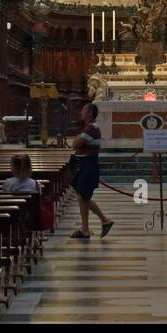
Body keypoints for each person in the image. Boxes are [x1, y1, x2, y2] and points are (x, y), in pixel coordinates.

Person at [71, 102, 113, 240]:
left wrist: (77, 140)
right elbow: (77, 143)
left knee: (83, 197)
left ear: (90, 113)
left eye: (83, 110)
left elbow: (75, 144)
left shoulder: (91, 129)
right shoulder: (89, 128)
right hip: (84, 165)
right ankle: (86, 229)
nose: (81, 113)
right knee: (82, 197)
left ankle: (104, 221)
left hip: (88, 166)